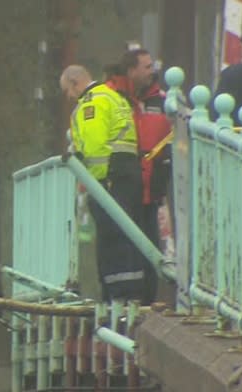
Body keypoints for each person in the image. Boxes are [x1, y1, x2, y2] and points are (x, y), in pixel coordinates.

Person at [60, 65, 145, 305]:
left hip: (109, 178)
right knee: (128, 232)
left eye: (68, 90)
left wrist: (94, 182)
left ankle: (115, 296)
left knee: (111, 237)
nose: (69, 97)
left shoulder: (90, 104)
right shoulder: (113, 96)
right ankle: (132, 292)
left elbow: (95, 146)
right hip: (128, 170)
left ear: (75, 83)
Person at [104, 49, 173, 305]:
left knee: (151, 252)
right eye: (146, 66)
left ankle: (147, 303)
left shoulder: (164, 102)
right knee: (122, 253)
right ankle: (119, 304)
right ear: (131, 70)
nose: (151, 71)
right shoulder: (112, 97)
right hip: (122, 188)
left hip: (151, 189)